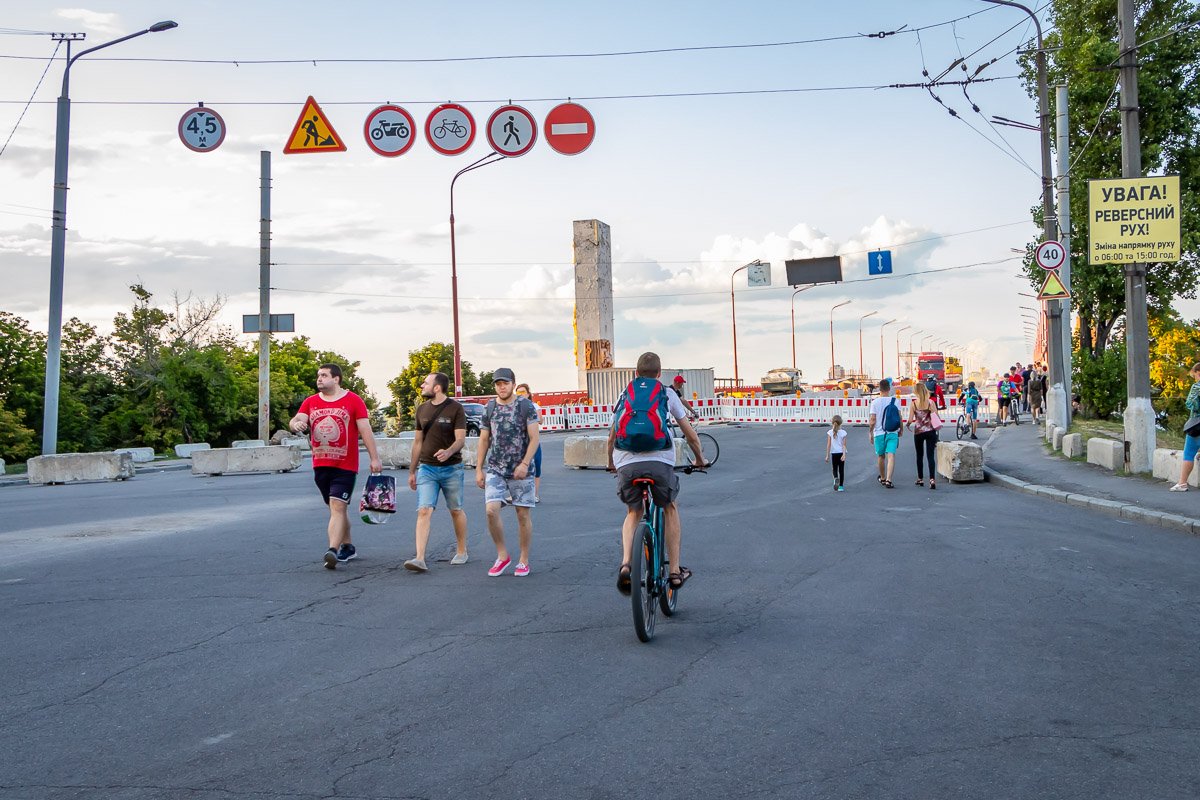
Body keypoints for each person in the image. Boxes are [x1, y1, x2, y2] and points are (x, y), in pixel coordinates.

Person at [607, 352, 706, 596]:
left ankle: (626, 564)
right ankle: (674, 572)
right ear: (659, 374)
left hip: (627, 462)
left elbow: (612, 436)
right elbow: (690, 435)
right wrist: (700, 459)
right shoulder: (667, 393)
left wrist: (611, 463)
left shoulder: (625, 394)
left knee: (633, 512)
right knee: (670, 507)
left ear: (636, 373)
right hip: (660, 461)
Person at [289, 363, 383, 570]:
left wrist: (374, 458)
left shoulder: (354, 400)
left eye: (324, 375)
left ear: (336, 379)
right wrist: (296, 424)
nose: (319, 379)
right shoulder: (311, 401)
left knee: (338, 506)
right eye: (318, 375)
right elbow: (298, 419)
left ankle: (332, 550)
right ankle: (348, 546)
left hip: (345, 465)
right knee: (336, 509)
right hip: (320, 465)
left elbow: (365, 430)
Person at [475, 367, 540, 577]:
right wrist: (479, 468)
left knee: (522, 514)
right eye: (498, 384)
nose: (501, 387)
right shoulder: (489, 407)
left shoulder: (525, 406)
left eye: (505, 383)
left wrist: (525, 463)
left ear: (513, 384)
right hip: (496, 468)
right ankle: (502, 555)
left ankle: (524, 559)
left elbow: (535, 438)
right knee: (491, 510)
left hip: (521, 468)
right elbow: (484, 439)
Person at [403, 372, 469, 573]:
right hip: (427, 469)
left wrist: (449, 451)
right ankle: (419, 558)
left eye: (426, 383)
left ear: (437, 387)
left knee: (455, 510)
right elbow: (417, 442)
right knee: (424, 509)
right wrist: (412, 471)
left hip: (452, 469)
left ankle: (462, 550)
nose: (422, 385)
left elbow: (460, 439)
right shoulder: (422, 409)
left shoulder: (455, 408)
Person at [1170, 362, 1200, 492]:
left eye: (1194, 375)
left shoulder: (1197, 387)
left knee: (1189, 453)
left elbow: (1190, 403)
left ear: (1198, 372)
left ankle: (1182, 483)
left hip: (1197, 424)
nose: (1194, 378)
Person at [868, 378, 903, 488]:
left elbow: (872, 420)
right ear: (889, 388)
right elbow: (900, 417)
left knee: (881, 456)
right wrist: (901, 430)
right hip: (892, 432)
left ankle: (882, 478)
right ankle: (889, 480)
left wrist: (870, 432)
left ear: (879, 389)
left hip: (879, 433)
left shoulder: (875, 402)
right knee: (891, 455)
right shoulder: (895, 401)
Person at [907, 382, 940, 489]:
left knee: (919, 455)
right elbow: (936, 415)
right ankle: (932, 479)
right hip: (930, 431)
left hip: (919, 432)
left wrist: (907, 425)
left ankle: (920, 478)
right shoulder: (931, 402)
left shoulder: (914, 404)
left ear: (916, 391)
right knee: (930, 456)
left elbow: (910, 419)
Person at [515, 383, 544, 502]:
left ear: (528, 394)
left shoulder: (534, 405)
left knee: (536, 466)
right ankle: (518, 494)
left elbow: (540, 420)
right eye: (518, 392)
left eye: (523, 392)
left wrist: (530, 414)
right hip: (519, 443)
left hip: (532, 441)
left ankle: (535, 495)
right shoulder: (514, 407)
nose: (520, 394)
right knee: (517, 467)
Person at [824, 413, 848, 491]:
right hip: (841, 453)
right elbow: (844, 445)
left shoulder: (830, 432)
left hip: (834, 453)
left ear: (832, 422)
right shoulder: (843, 432)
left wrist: (827, 455)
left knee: (834, 468)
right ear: (841, 423)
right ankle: (841, 486)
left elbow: (828, 444)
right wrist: (844, 454)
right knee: (841, 470)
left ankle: (835, 478)